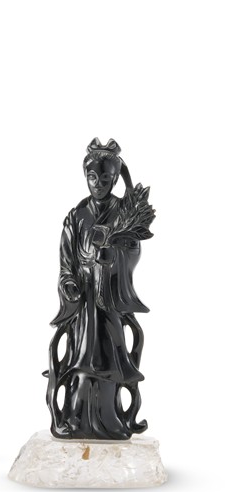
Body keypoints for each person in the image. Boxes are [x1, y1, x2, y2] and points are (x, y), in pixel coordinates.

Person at [46, 138, 155, 439]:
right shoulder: (76, 215)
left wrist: (112, 256)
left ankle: (110, 418)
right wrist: (69, 283)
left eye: (105, 179)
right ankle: (74, 417)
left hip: (108, 299)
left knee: (108, 360)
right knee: (80, 358)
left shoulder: (124, 212)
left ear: (115, 179)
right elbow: (66, 260)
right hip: (83, 302)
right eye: (92, 177)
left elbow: (133, 251)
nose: (97, 184)